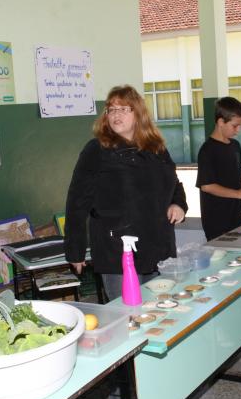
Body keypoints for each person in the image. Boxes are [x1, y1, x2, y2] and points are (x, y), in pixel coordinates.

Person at [64, 85, 187, 301]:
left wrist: (178, 204)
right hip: (118, 249)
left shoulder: (156, 148)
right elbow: (77, 202)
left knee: (160, 312)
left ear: (138, 114)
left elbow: (174, 183)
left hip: (157, 246)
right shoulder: (97, 150)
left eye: (123, 109)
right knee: (128, 317)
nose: (115, 115)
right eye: (111, 110)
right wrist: (76, 250)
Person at [196, 96, 241, 241]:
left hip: (236, 215)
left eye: (240, 125)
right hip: (216, 220)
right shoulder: (207, 150)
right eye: (235, 126)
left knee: (240, 258)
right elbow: (207, 186)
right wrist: (238, 193)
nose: (238, 130)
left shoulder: (235, 146)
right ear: (220, 122)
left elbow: (239, 175)